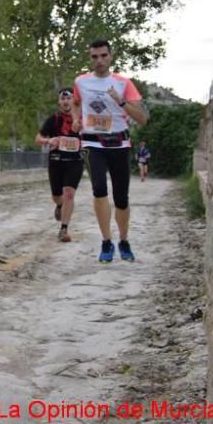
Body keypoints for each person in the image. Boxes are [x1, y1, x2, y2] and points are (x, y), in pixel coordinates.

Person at [72, 39, 148, 263]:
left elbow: (142, 119)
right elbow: (76, 102)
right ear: (90, 58)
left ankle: (123, 241)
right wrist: (76, 120)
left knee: (121, 197)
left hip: (119, 144)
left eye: (103, 56)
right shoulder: (81, 81)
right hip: (93, 143)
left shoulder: (124, 83)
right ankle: (106, 241)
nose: (99, 61)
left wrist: (121, 102)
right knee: (99, 189)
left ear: (110, 56)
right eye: (95, 57)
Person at [35, 89, 84, 243]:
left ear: (73, 102)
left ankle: (64, 229)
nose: (65, 102)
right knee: (57, 196)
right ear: (59, 102)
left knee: (69, 192)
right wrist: (48, 141)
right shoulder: (53, 120)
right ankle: (59, 204)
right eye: (62, 99)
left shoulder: (82, 120)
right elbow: (38, 138)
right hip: (56, 161)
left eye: (69, 98)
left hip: (75, 161)